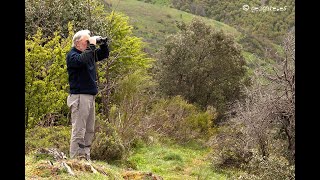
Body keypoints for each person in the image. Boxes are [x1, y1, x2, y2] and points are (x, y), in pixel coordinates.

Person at [66, 29, 109, 160]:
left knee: (89, 129)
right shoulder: (72, 55)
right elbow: (82, 61)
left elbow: (104, 54)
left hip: (90, 96)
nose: (89, 43)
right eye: (86, 41)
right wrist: (91, 45)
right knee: (79, 129)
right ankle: (74, 158)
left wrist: (103, 43)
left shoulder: (87, 54)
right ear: (78, 42)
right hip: (79, 97)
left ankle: (85, 157)